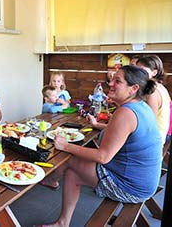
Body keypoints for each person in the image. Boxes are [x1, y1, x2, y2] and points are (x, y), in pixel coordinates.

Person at [38, 65, 162, 227]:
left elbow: (103, 157)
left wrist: (66, 146)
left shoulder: (126, 113)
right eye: (112, 79)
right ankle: (62, 220)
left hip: (130, 187)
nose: (110, 83)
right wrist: (98, 125)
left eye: (118, 81)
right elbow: (124, 133)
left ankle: (51, 180)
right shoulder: (141, 106)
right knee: (72, 173)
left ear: (133, 89)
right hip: (143, 182)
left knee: (70, 160)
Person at [136, 55, 171, 143]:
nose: (138, 73)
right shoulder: (160, 87)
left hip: (153, 141)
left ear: (154, 72)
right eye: (137, 69)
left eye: (142, 70)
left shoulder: (153, 92)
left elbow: (149, 122)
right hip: (161, 136)